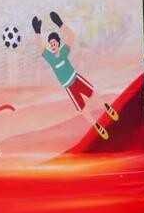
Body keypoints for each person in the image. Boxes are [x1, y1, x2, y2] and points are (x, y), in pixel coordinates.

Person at [32, 10, 118, 140]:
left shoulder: (64, 51)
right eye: (51, 44)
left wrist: (59, 23)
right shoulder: (50, 58)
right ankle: (96, 125)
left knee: (92, 93)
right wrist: (37, 32)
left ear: (58, 43)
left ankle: (106, 107)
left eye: (54, 42)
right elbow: (40, 49)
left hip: (76, 79)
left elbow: (72, 36)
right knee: (82, 108)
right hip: (69, 87)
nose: (52, 45)